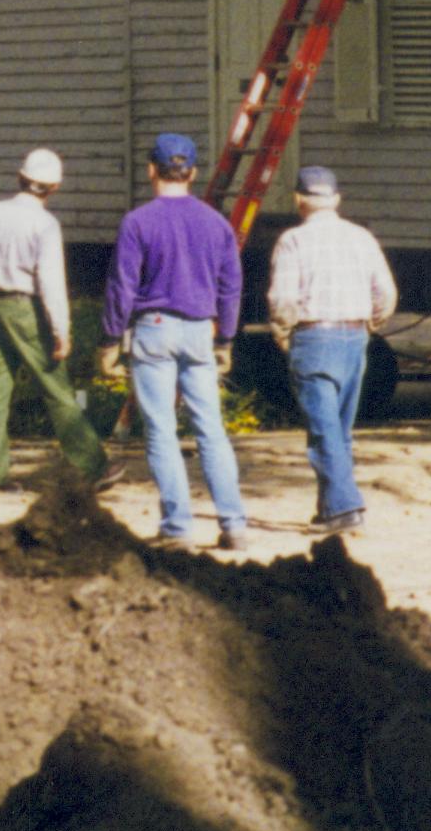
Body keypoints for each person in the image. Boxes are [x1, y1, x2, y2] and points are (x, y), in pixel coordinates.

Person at [103, 132, 248, 552]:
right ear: (193, 174)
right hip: (201, 332)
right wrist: (228, 340)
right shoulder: (217, 223)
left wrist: (110, 339)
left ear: (152, 170)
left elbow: (121, 286)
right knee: (211, 430)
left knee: (161, 432)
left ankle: (178, 527)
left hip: (154, 328)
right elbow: (231, 287)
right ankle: (234, 524)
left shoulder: (137, 222)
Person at [0, 149, 109, 492]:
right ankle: (90, 465)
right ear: (54, 187)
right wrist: (61, 330)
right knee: (56, 388)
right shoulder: (45, 224)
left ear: (20, 176)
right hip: (25, 308)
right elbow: (51, 282)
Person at [267, 166, 397, 536]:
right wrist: (373, 322)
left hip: (314, 336)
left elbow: (283, 298)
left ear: (298, 199)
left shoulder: (292, 240)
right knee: (338, 429)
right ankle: (329, 508)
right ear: (336, 199)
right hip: (354, 336)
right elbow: (385, 293)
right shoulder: (362, 238)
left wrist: (281, 330)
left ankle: (345, 507)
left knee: (323, 429)